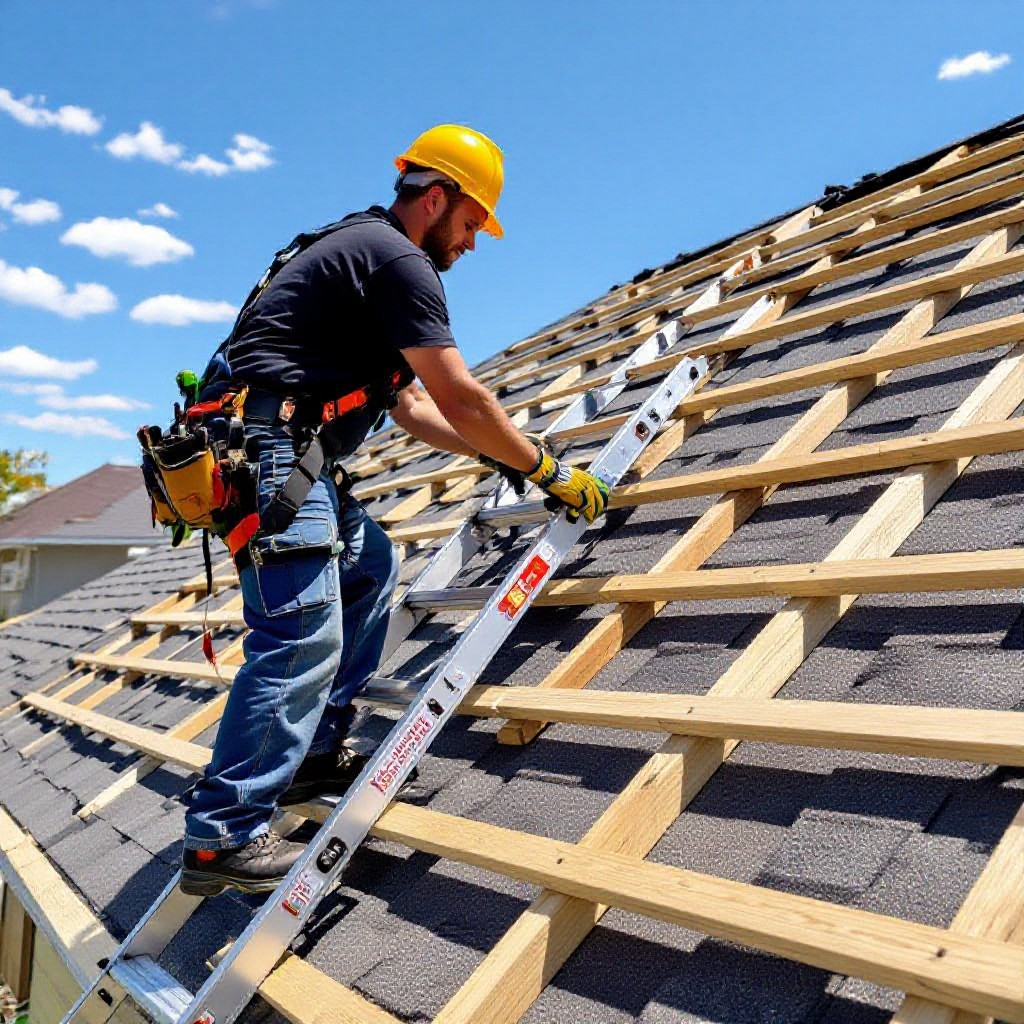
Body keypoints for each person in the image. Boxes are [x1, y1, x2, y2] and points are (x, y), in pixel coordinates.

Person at [180, 125, 610, 896]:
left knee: (370, 566)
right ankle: (224, 834)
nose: (472, 243)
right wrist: (544, 468)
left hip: (281, 454)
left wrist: (498, 454)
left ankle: (313, 757)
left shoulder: (362, 250)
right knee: (297, 636)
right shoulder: (399, 261)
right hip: (274, 455)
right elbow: (462, 397)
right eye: (472, 222)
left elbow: (412, 408)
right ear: (437, 198)